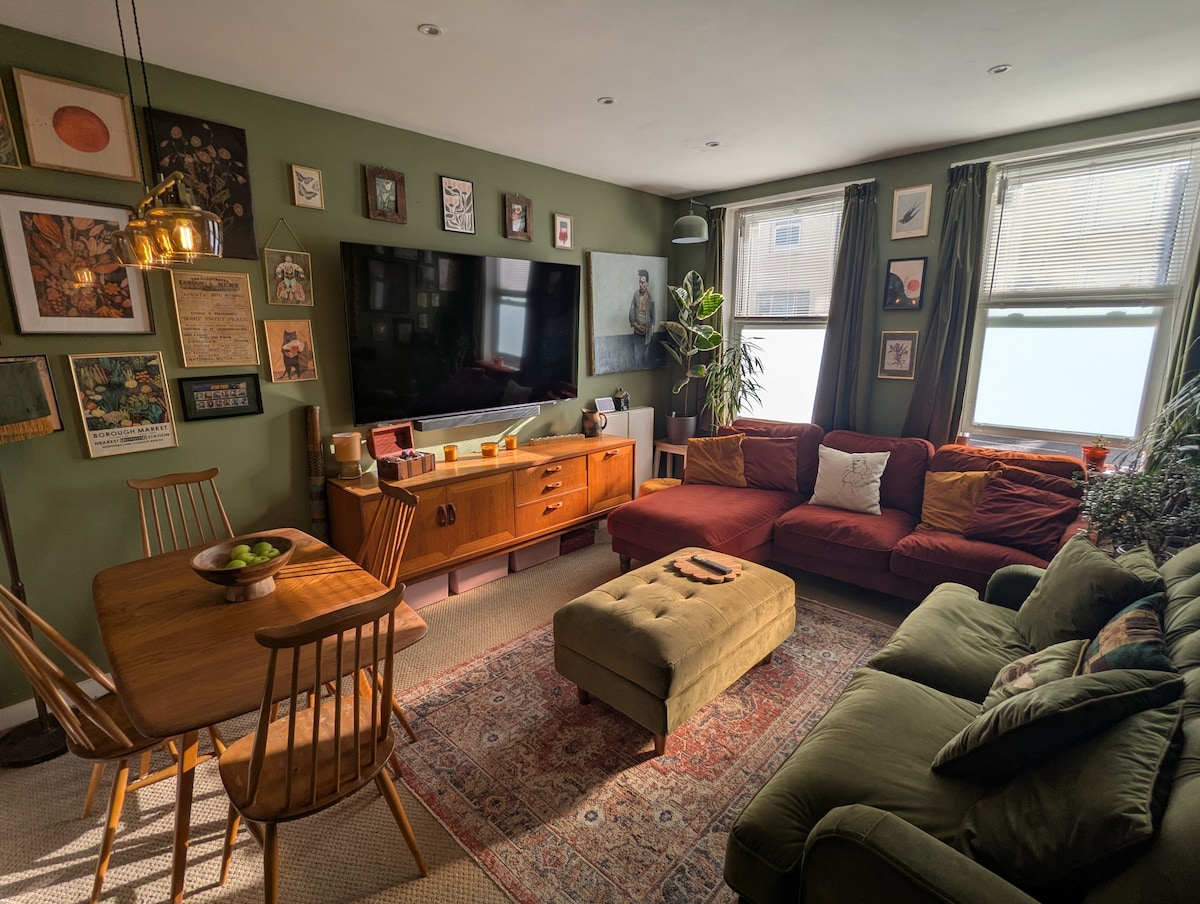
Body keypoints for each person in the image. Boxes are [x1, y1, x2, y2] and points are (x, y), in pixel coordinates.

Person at [627, 269, 655, 368]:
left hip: (647, 335)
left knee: (646, 360)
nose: (640, 285)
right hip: (637, 334)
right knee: (637, 359)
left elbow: (653, 318)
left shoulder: (651, 300)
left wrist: (650, 332)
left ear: (647, 283)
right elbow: (631, 314)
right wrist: (636, 325)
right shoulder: (636, 296)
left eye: (642, 282)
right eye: (639, 282)